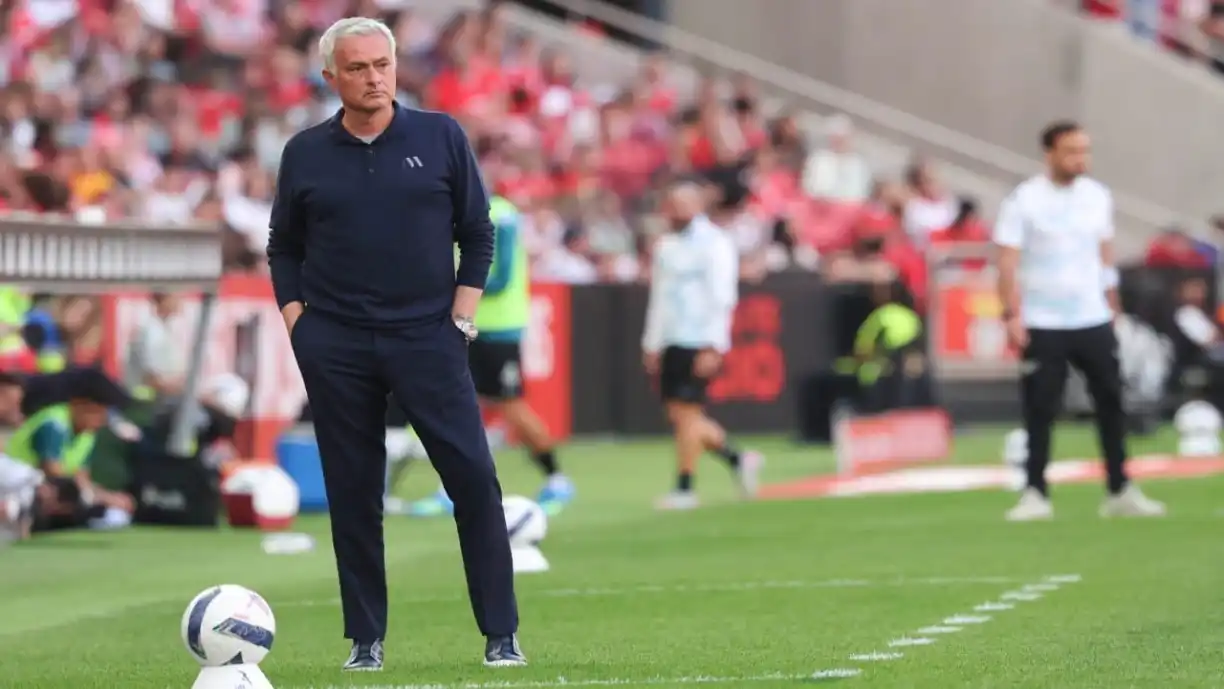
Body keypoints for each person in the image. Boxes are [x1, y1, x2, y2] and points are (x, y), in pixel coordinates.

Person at [265, 17, 523, 671]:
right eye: (358, 67)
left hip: (428, 336)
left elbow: (478, 231)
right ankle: (366, 639)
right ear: (331, 78)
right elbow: (283, 246)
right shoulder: (305, 152)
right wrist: (301, 323)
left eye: (383, 63)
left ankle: (501, 632)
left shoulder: (440, 136)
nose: (375, 76)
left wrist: (461, 317)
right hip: (338, 342)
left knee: (473, 478)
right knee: (354, 492)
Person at [994, 120, 1166, 522]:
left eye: (1084, 151)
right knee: (1040, 407)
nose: (1080, 159)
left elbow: (1104, 254)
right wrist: (1012, 313)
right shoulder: (1023, 201)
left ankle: (1119, 488)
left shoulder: (1096, 197)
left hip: (1091, 316)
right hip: (1044, 318)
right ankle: (1035, 492)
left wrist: (1112, 306)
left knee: (1111, 401)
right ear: (1049, 153)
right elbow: (1007, 261)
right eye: (1071, 151)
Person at [411, 196, 575, 517]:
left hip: (499, 327)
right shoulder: (450, 212)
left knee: (510, 405)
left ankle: (556, 478)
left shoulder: (500, 215)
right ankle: (455, 488)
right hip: (464, 325)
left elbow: (498, 276)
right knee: (456, 407)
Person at [641, 182, 763, 511]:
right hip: (672, 339)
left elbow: (722, 296)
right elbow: (659, 298)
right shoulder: (666, 246)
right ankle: (738, 458)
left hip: (699, 338)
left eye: (683, 205)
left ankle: (685, 487)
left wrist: (714, 344)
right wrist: (651, 342)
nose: (676, 212)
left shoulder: (715, 243)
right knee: (682, 415)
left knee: (686, 414)